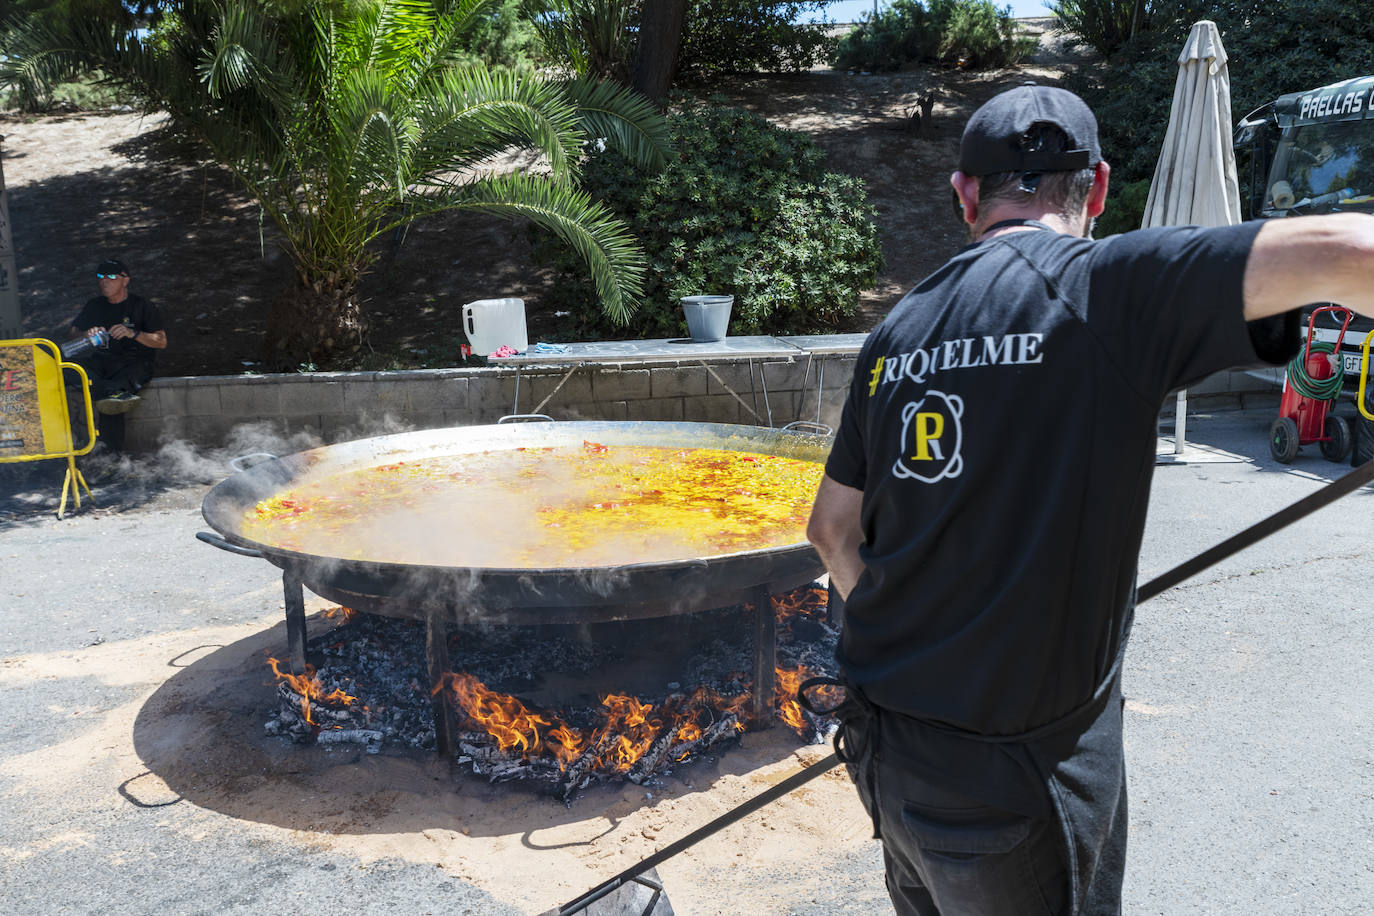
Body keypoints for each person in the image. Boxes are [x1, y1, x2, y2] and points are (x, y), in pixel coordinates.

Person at [806, 84, 1374, 915]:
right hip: (1015, 781)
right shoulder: (1109, 285)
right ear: (1099, 189)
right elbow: (1354, 250)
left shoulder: (897, 332)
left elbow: (829, 532)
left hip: (888, 752)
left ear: (965, 195)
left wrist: (929, 635)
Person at [66, 258, 166, 452]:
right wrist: (86, 335)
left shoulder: (142, 305)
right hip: (102, 362)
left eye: (111, 276)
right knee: (65, 368)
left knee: (110, 402)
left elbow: (161, 341)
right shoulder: (94, 305)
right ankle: (112, 392)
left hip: (135, 363)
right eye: (100, 277)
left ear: (125, 280)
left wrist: (133, 334)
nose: (105, 281)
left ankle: (112, 458)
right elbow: (71, 338)